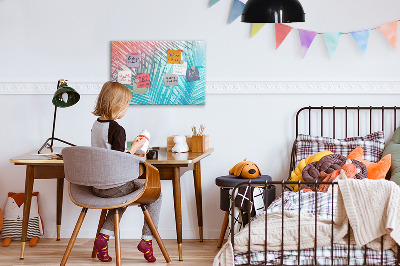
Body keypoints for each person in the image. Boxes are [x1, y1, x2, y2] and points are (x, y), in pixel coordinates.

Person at [91, 81, 161, 263]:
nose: (126, 109)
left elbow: (108, 154)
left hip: (97, 186)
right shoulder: (117, 129)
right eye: (126, 105)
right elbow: (118, 161)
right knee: (156, 194)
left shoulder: (96, 125)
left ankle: (103, 238)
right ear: (117, 105)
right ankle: (147, 240)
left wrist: (130, 150)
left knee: (122, 197)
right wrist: (135, 149)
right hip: (114, 186)